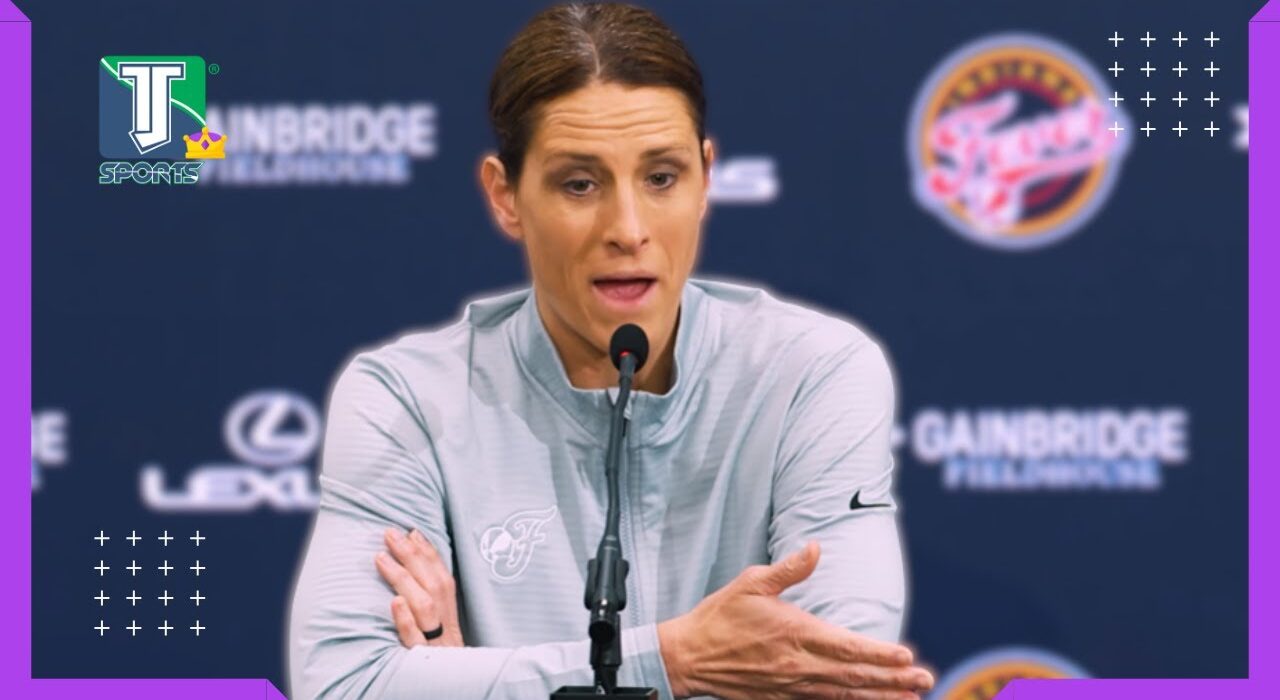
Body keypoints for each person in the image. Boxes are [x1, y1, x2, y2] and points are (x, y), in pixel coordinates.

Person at [288, 3, 935, 698]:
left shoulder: (814, 373)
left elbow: (836, 681)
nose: (628, 228)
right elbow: (345, 686)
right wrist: (676, 661)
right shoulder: (407, 400)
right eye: (580, 183)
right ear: (506, 197)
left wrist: (467, 681)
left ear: (705, 179)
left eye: (661, 178)